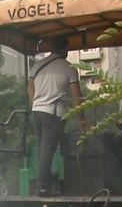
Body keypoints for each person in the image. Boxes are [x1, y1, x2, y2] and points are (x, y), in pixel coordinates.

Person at [28, 37, 87, 196]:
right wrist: (81, 119)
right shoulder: (69, 68)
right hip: (53, 113)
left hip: (37, 111)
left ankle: (45, 177)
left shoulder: (38, 65)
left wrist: (37, 101)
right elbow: (77, 96)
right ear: (63, 50)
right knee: (48, 150)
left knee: (43, 148)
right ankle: (42, 187)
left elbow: (30, 86)